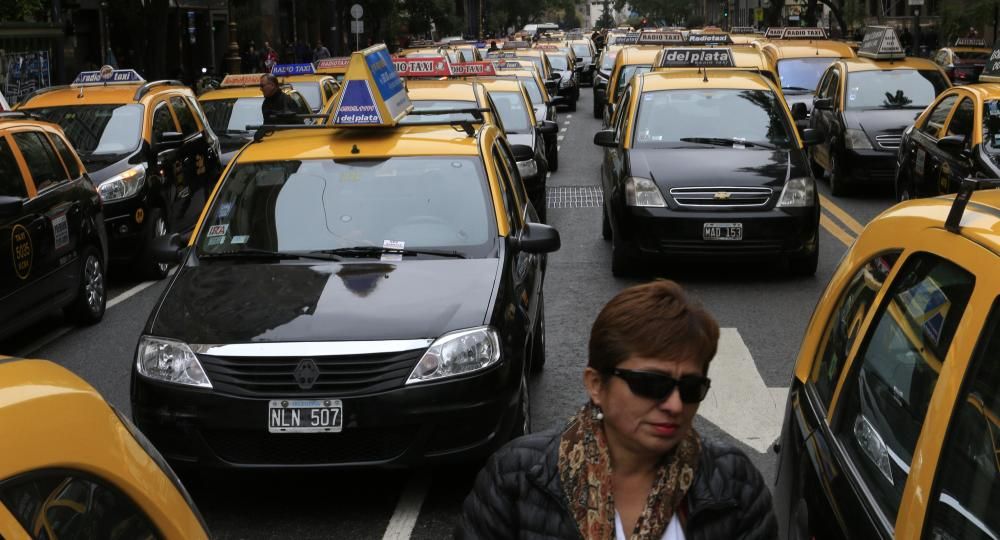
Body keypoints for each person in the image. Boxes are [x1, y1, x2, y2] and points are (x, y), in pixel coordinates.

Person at [458, 280, 777, 540]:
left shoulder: (735, 483)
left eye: (691, 388)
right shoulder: (516, 479)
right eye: (651, 384)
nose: (675, 405)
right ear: (596, 384)